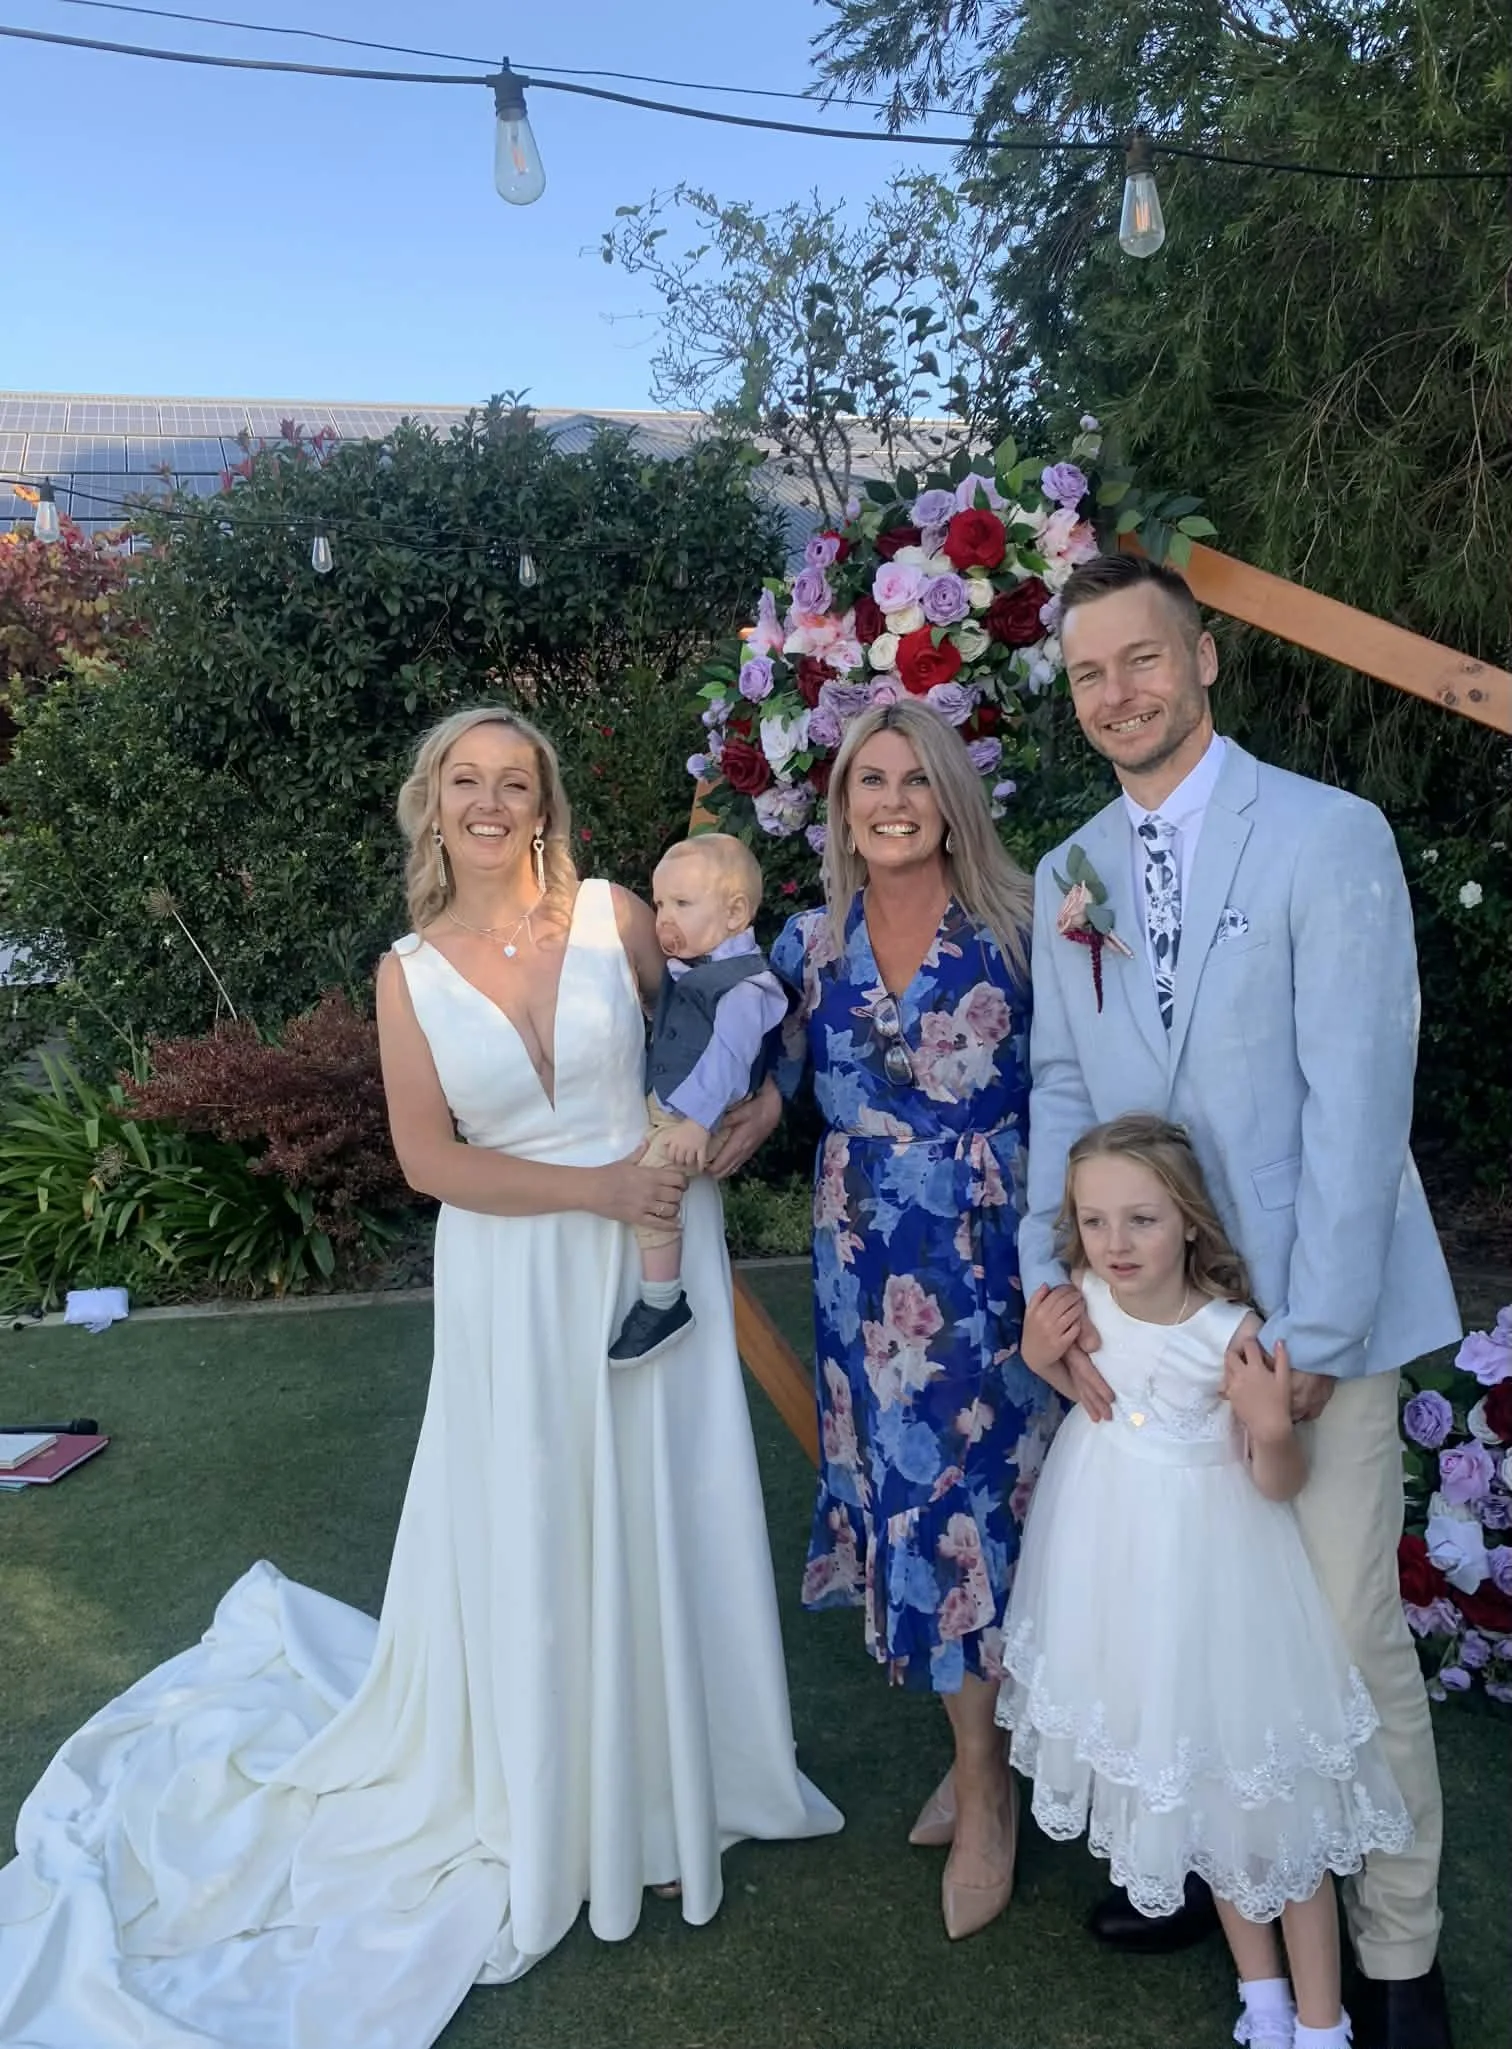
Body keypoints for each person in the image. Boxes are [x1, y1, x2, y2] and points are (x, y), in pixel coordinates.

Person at [0, 706, 841, 2049]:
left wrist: (742, 1124)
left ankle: (685, 1786)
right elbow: (431, 1162)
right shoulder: (410, 972)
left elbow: (719, 1040)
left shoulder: (624, 917)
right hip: (515, 1278)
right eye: (469, 782)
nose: (494, 801)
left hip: (646, 1258)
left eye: (517, 780)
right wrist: (598, 1183)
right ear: (433, 804)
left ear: (548, 799)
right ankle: (558, 1796)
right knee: (541, 1522)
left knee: (656, 1508)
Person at [1021, 552, 1461, 2049]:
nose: (1118, 695)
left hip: (1298, 1325)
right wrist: (1051, 1284)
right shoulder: (1067, 871)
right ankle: (1208, 1887)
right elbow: (1061, 1091)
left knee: (1340, 1643)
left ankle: (1397, 1958)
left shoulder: (1330, 837)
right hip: (1146, 1334)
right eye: (1089, 674)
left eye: (1142, 661)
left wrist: (1322, 1339)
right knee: (1174, 1634)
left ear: (1205, 660)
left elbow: (1360, 1092)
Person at [748, 699, 1064, 1943]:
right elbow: (765, 1089)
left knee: (1000, 1505)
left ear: (949, 801)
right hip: (865, 1274)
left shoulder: (1021, 930)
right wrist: (674, 1145)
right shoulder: (805, 947)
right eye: (867, 780)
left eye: (913, 781)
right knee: (915, 1508)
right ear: (841, 807)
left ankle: (991, 1779)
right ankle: (982, 1768)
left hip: (996, 1267)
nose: (890, 801)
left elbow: (1092, 1094)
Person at [1004, 1113, 1412, 2049]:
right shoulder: (1080, 1297)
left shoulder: (1230, 1334)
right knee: (1197, 1792)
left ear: (1189, 1219)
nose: (1115, 1244)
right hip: (1119, 1571)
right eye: (1095, 1221)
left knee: (1267, 1793)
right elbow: (1103, 1404)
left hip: (1222, 1578)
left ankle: (1321, 2020)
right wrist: (1039, 1361)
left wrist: (1270, 1428)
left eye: (1141, 1220)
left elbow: (1279, 1484)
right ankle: (1261, 1999)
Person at [608, 833, 787, 1366]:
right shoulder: (695, 970)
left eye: (682, 904)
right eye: (660, 903)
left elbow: (728, 1061)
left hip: (698, 1119)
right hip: (673, 1107)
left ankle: (663, 1303)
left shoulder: (744, 987)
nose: (663, 918)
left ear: (735, 913)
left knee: (653, 1190)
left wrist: (695, 1124)